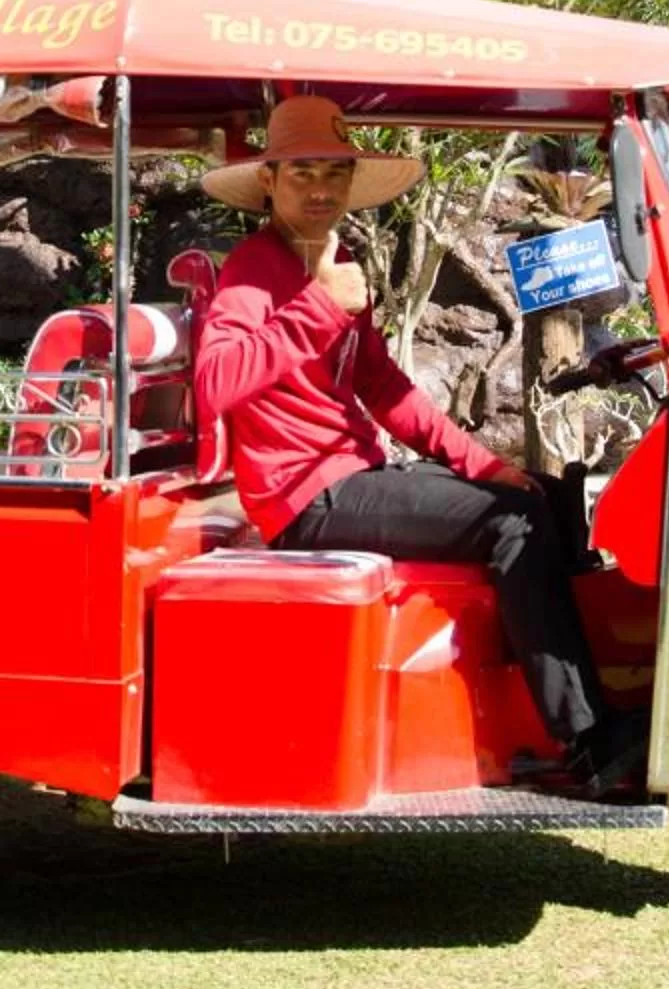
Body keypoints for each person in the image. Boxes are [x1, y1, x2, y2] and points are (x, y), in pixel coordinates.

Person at [191, 96, 641, 790]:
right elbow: (214, 384)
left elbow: (386, 388)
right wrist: (317, 307)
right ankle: (586, 739)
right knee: (514, 525)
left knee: (544, 497)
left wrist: (486, 462)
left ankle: (562, 699)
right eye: (302, 172)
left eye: (333, 173)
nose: (319, 188)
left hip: (352, 476)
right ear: (270, 183)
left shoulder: (336, 263)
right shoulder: (255, 271)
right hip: (304, 499)